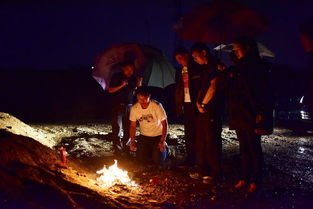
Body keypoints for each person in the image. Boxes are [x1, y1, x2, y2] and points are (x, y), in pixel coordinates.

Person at [225, 36, 274, 193]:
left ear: (248, 48)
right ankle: (244, 178)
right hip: (239, 113)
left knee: (254, 148)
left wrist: (261, 112)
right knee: (244, 149)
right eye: (234, 49)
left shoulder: (257, 66)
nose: (235, 51)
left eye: (238, 48)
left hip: (252, 113)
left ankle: (255, 180)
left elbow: (262, 91)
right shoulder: (237, 67)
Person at [189, 43, 224, 182]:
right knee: (202, 141)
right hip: (202, 109)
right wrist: (198, 102)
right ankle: (203, 170)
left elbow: (213, 87)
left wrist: (203, 103)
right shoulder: (203, 68)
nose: (195, 59)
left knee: (212, 141)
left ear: (204, 52)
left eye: (196, 56)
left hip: (212, 109)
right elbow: (202, 88)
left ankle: (216, 173)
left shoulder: (215, 66)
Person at [174, 46, 202, 166]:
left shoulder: (196, 68)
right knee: (189, 132)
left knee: (198, 132)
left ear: (187, 55)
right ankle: (190, 158)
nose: (179, 61)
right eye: (177, 59)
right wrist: (178, 105)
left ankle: (199, 158)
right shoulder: (179, 71)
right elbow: (179, 88)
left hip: (196, 103)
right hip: (186, 104)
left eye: (180, 58)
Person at [108, 61, 142, 155]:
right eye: (128, 70)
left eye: (132, 70)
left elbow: (136, 92)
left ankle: (126, 150)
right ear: (123, 68)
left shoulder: (133, 78)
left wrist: (139, 83)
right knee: (117, 128)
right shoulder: (116, 76)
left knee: (128, 129)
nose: (130, 72)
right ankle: (118, 151)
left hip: (130, 106)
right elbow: (110, 90)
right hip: (118, 106)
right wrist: (121, 85)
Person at [129, 87, 168, 165]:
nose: (142, 102)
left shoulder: (156, 106)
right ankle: (150, 151)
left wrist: (162, 141)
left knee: (157, 161)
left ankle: (166, 149)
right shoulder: (134, 108)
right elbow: (132, 126)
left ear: (149, 97)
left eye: (144, 99)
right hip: (144, 137)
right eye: (139, 99)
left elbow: (165, 124)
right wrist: (132, 141)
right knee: (140, 160)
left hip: (157, 136)